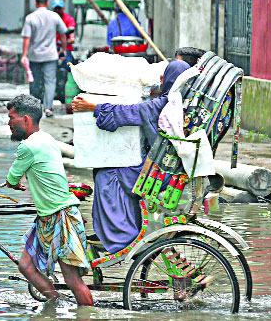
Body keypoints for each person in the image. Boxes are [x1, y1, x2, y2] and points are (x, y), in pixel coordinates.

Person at [71, 60, 193, 253]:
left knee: (106, 174)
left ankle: (120, 237)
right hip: (168, 168)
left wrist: (93, 107)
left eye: (165, 76)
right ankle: (122, 231)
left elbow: (129, 112)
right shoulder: (180, 102)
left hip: (161, 173)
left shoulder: (166, 104)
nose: (161, 79)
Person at [5, 94, 93, 306]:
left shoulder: (27, 147)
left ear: (25, 120)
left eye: (11, 118)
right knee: (25, 266)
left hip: (61, 217)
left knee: (72, 279)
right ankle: (56, 304)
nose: (8, 123)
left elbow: (11, 178)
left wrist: (14, 183)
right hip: (47, 216)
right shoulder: (46, 139)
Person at [21, 0, 67, 118]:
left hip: (34, 55)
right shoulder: (54, 17)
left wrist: (24, 54)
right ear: (47, 3)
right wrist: (64, 49)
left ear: (35, 3)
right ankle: (48, 109)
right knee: (50, 81)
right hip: (50, 55)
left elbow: (27, 38)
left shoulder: (30, 18)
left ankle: (34, 108)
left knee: (34, 82)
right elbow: (63, 34)